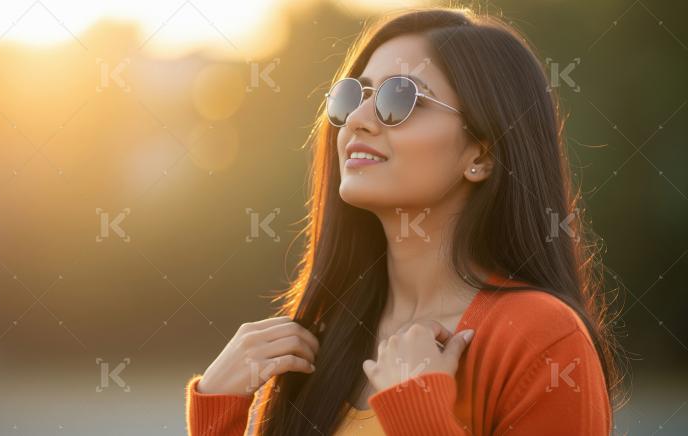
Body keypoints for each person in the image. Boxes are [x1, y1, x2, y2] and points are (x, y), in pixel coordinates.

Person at [185, 7, 625, 435]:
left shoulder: (542, 337)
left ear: (482, 154)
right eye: (352, 97)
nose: (357, 120)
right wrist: (217, 413)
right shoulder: (321, 337)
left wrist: (417, 408)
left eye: (399, 98)